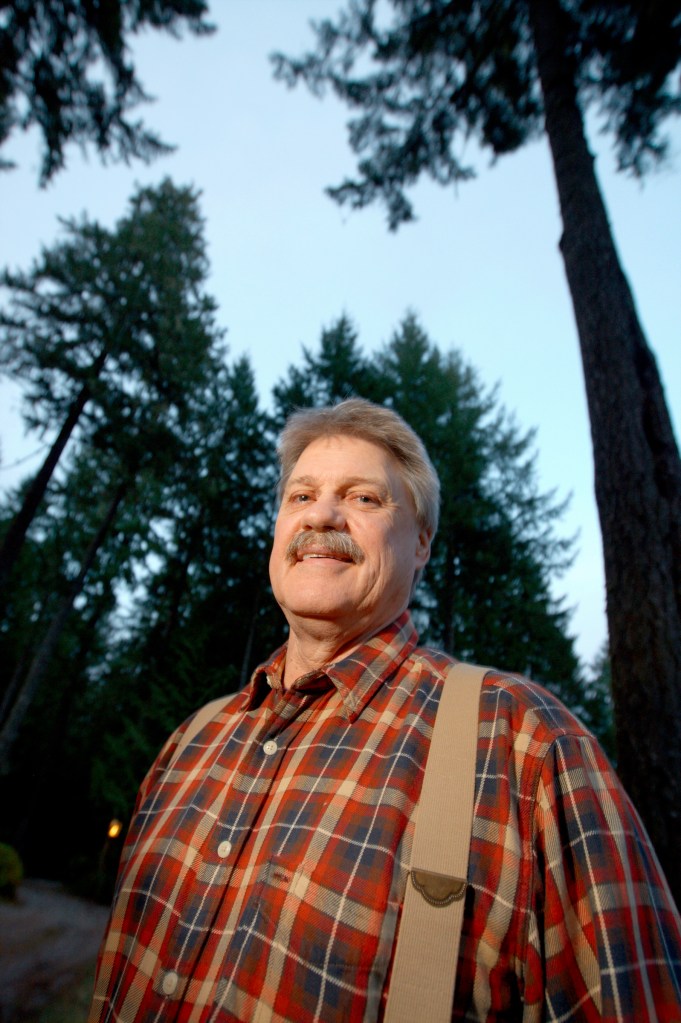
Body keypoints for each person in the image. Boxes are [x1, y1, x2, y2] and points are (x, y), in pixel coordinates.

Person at [89, 397, 681, 1022]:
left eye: (364, 499)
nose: (322, 515)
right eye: (300, 496)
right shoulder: (192, 740)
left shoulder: (522, 741)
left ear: (422, 542)